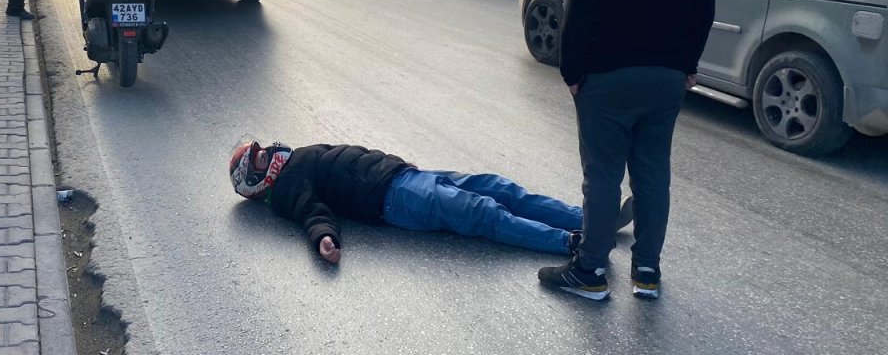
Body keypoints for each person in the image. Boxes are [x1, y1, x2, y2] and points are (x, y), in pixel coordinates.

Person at [539, 0, 715, 301]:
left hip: (608, 80)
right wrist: (687, 68)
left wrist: (572, 75)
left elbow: (577, 19)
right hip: (666, 81)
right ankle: (647, 272)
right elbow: (703, 15)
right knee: (653, 174)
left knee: (602, 175)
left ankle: (591, 271)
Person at [228, 140, 633, 265]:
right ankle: (571, 242)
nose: (268, 152)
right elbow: (310, 213)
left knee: (499, 188)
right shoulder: (285, 190)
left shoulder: (294, 160)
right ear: (255, 180)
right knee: (482, 212)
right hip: (393, 198)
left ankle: (592, 218)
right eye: (259, 158)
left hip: (406, 175)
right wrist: (324, 239)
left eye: (262, 150)